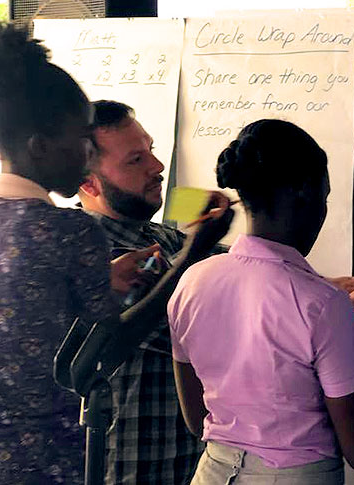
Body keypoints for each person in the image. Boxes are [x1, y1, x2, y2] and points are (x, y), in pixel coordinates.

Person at [167, 119, 354, 484]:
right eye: (324, 199)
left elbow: (197, 419)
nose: (322, 214)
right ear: (303, 193)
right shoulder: (322, 306)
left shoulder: (192, 281)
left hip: (212, 471)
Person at [0, 23, 107, 484]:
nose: (90, 156)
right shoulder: (71, 231)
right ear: (40, 147)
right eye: (84, 141)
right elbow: (109, 346)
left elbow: (16, 303)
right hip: (42, 467)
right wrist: (192, 253)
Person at [77, 100, 233, 485]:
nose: (157, 167)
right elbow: (185, 323)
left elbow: (249, 273)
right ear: (88, 183)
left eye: (151, 150)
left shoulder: (164, 237)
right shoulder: (88, 258)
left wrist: (334, 288)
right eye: (135, 160)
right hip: (132, 467)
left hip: (192, 465)